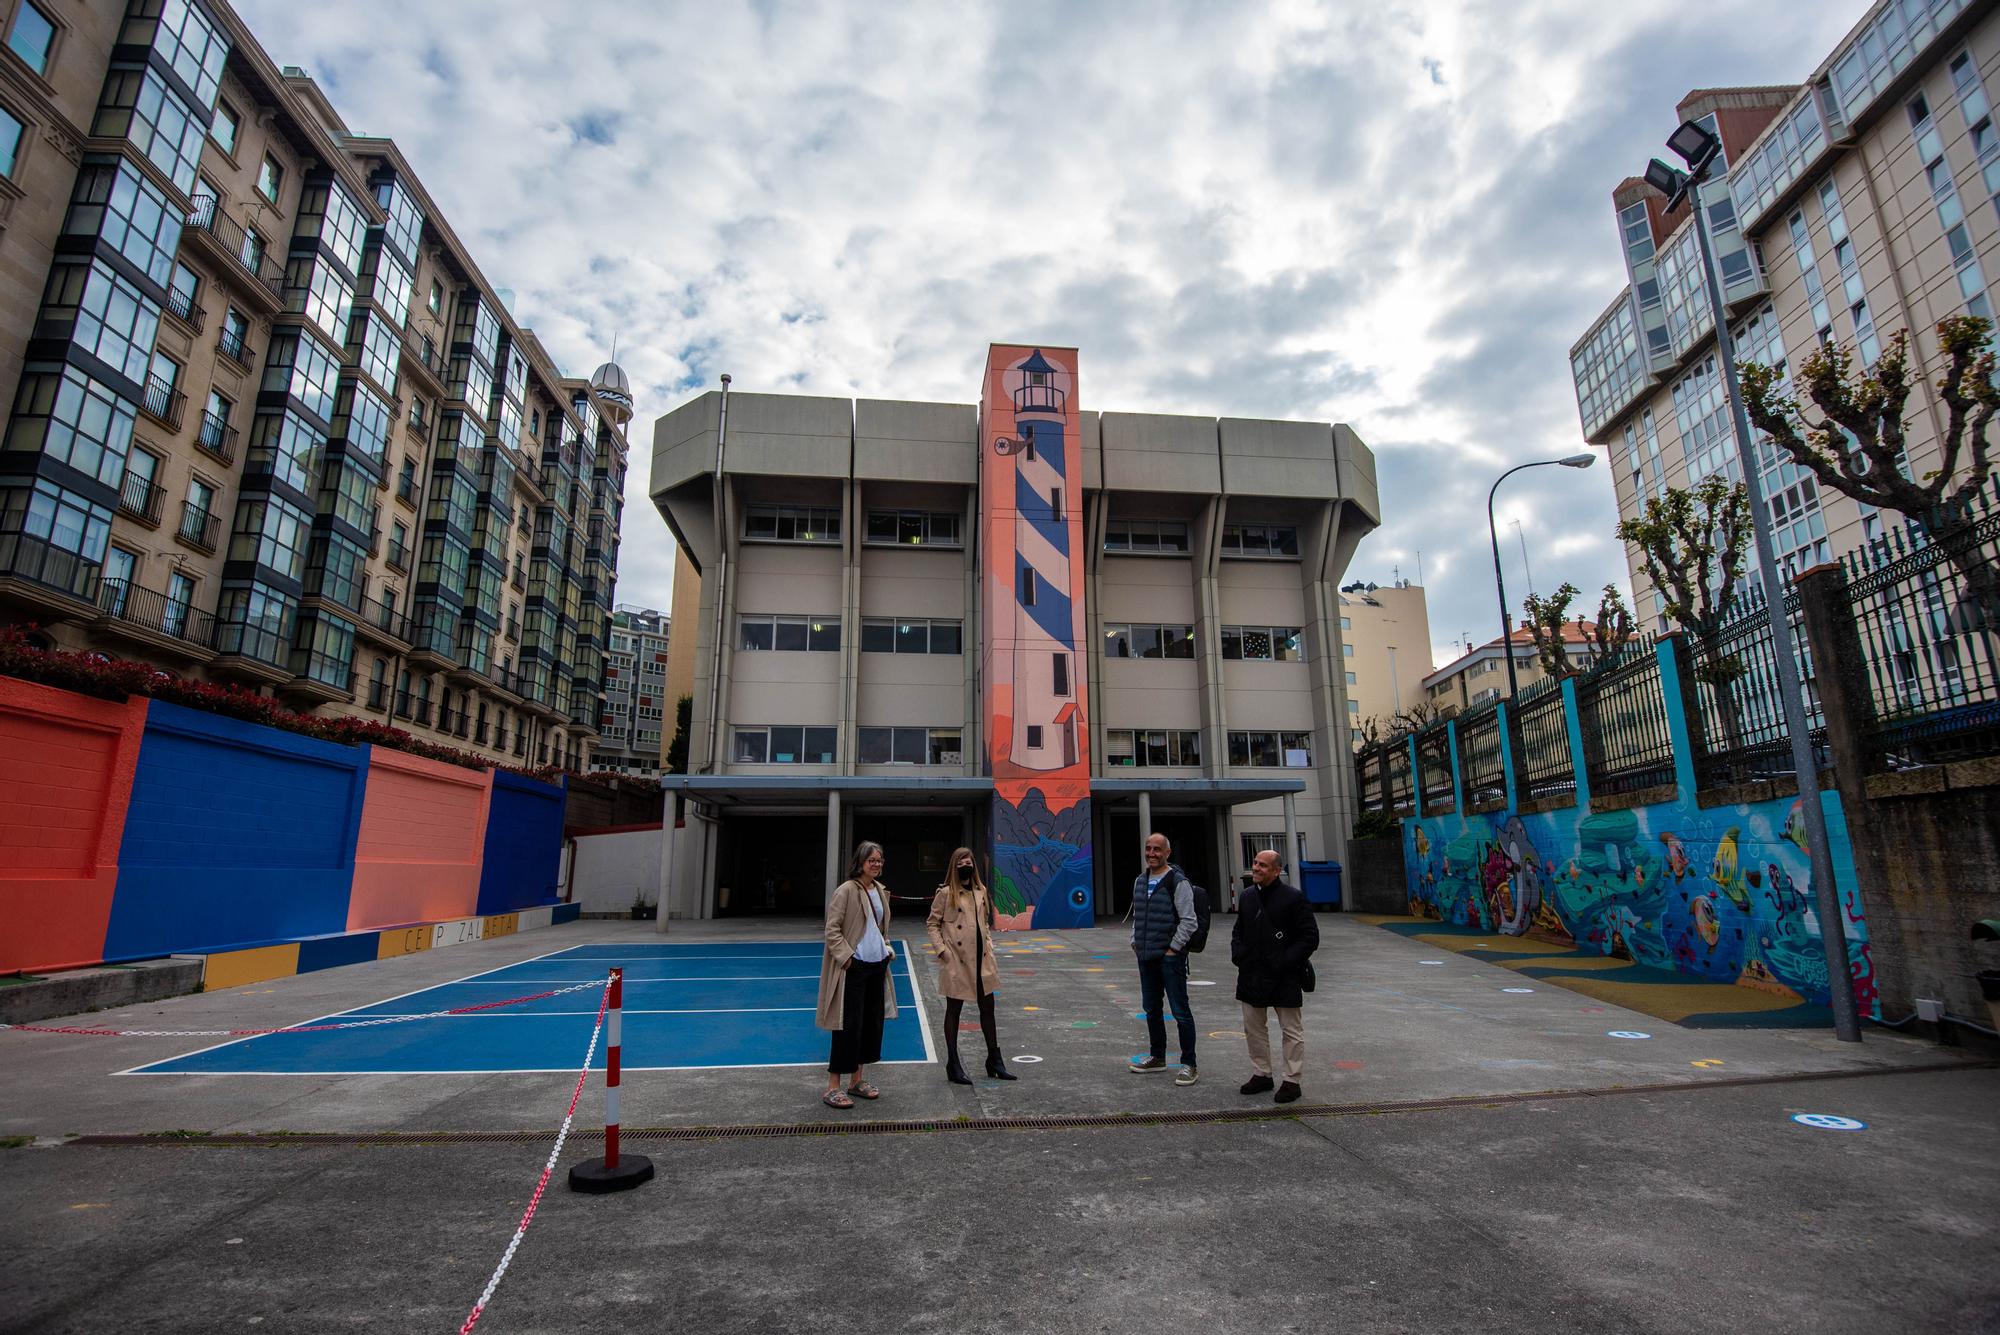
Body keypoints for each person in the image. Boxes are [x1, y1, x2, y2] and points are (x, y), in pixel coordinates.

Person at [1231, 848, 1319, 1104]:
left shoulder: (1294, 898)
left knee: (1291, 1030)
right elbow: (1238, 931)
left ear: (1277, 870)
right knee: (1253, 1027)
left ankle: (1292, 1081)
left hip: (1284, 975)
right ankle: (1262, 1074)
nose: (1256, 868)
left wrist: (1284, 962)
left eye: (1263, 865)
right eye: (1255, 863)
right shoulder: (1247, 897)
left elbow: (1309, 937)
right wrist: (1239, 955)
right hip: (1251, 973)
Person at [816, 841, 899, 1109]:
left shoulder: (879, 890)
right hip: (855, 968)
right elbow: (832, 929)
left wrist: (886, 948)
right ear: (860, 862)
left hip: (876, 966)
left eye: (880, 860)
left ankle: (856, 1081)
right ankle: (833, 1087)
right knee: (847, 1026)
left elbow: (880, 929)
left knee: (869, 1025)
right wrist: (848, 959)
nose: (876, 864)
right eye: (871, 860)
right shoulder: (847, 891)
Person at [926, 847, 1016, 1085]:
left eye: (969, 861)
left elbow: (985, 923)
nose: (966, 865)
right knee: (954, 1009)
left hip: (982, 960)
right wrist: (942, 951)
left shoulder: (980, 891)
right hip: (956, 959)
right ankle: (953, 1063)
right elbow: (932, 923)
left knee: (988, 1009)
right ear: (954, 867)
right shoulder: (945, 893)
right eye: (960, 862)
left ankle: (994, 1060)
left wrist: (989, 944)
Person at [1127, 831, 1200, 1086]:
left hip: (1170, 958)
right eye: (1148, 848)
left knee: (1180, 1012)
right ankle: (1157, 1057)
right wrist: (1134, 941)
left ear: (1167, 853)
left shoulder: (1177, 881)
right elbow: (1138, 915)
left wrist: (1173, 949)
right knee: (1152, 1009)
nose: (1151, 854)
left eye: (1157, 849)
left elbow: (1189, 921)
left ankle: (1189, 1063)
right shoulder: (1139, 881)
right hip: (1145, 957)